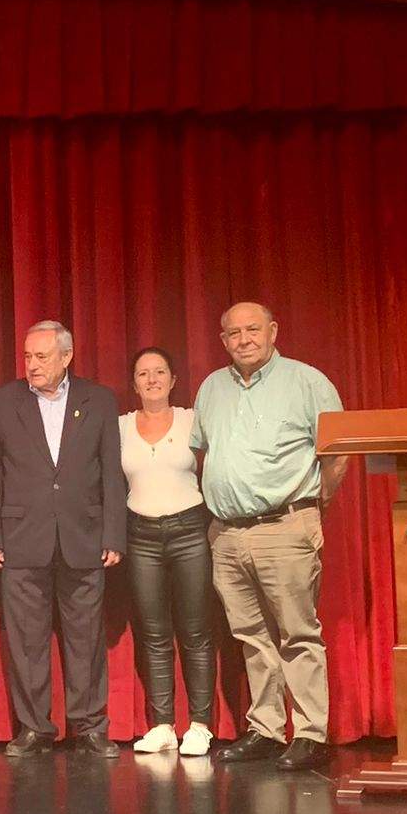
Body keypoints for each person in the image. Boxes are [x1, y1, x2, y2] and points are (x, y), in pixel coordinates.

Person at [194, 302, 345, 772]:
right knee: (251, 637)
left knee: (298, 633)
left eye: (253, 329)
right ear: (223, 340)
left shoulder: (307, 381)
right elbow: (205, 450)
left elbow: (338, 452)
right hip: (226, 534)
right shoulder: (212, 387)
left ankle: (311, 733)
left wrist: (313, 508)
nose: (244, 339)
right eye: (234, 332)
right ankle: (265, 728)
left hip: (285, 526)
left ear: (273, 331)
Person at [0, 320, 124, 758]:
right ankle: (34, 728)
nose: (32, 364)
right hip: (21, 536)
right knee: (26, 641)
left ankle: (90, 727)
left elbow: (112, 471)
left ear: (67, 356)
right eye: (27, 356)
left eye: (42, 356)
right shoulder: (1, 402)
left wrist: (113, 533)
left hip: (84, 535)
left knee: (86, 638)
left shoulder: (98, 399)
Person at [122, 347, 219, 756]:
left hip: (190, 531)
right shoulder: (121, 426)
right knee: (153, 634)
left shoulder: (191, 420)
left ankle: (200, 726)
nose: (152, 379)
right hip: (140, 535)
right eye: (143, 373)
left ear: (173, 379)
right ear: (134, 383)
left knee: (195, 632)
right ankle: (162, 724)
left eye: (159, 371)